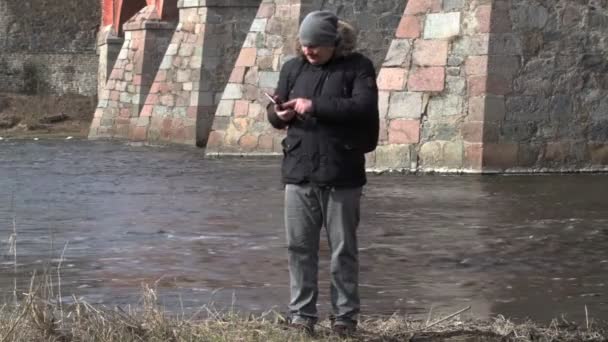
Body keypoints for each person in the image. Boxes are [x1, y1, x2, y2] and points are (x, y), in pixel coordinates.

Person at [266, 10, 379, 336]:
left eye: (315, 45)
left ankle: (345, 318)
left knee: (343, 251)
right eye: (304, 45)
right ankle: (302, 316)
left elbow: (362, 108)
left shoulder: (358, 67)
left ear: (333, 43)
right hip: (299, 171)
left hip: (341, 173)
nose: (308, 51)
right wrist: (279, 113)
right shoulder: (292, 68)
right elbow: (275, 117)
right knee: (299, 248)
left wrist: (313, 105)